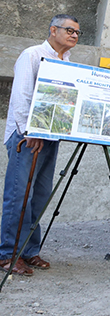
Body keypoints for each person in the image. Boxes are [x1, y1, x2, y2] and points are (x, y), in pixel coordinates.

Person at [1, 15, 80, 276]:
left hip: (50, 137)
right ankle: (7, 255)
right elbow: (22, 95)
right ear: (53, 30)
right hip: (27, 138)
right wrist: (28, 132)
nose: (74, 35)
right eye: (69, 30)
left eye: (77, 33)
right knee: (19, 195)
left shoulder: (66, 62)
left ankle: (29, 250)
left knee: (39, 196)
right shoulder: (32, 55)